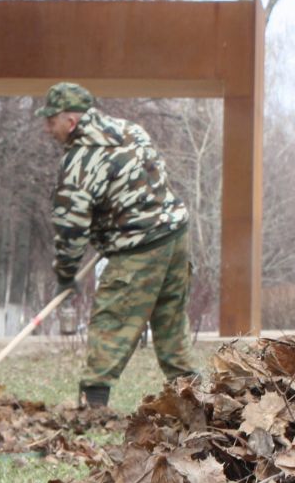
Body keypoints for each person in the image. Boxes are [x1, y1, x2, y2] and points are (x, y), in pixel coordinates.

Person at [39, 81, 196, 409]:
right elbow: (153, 176)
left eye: (51, 121)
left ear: (70, 122)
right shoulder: (130, 130)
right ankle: (197, 402)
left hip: (138, 248)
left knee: (112, 321)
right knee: (171, 324)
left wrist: (66, 274)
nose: (47, 128)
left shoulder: (80, 162)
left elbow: (70, 228)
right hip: (175, 235)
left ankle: (93, 406)